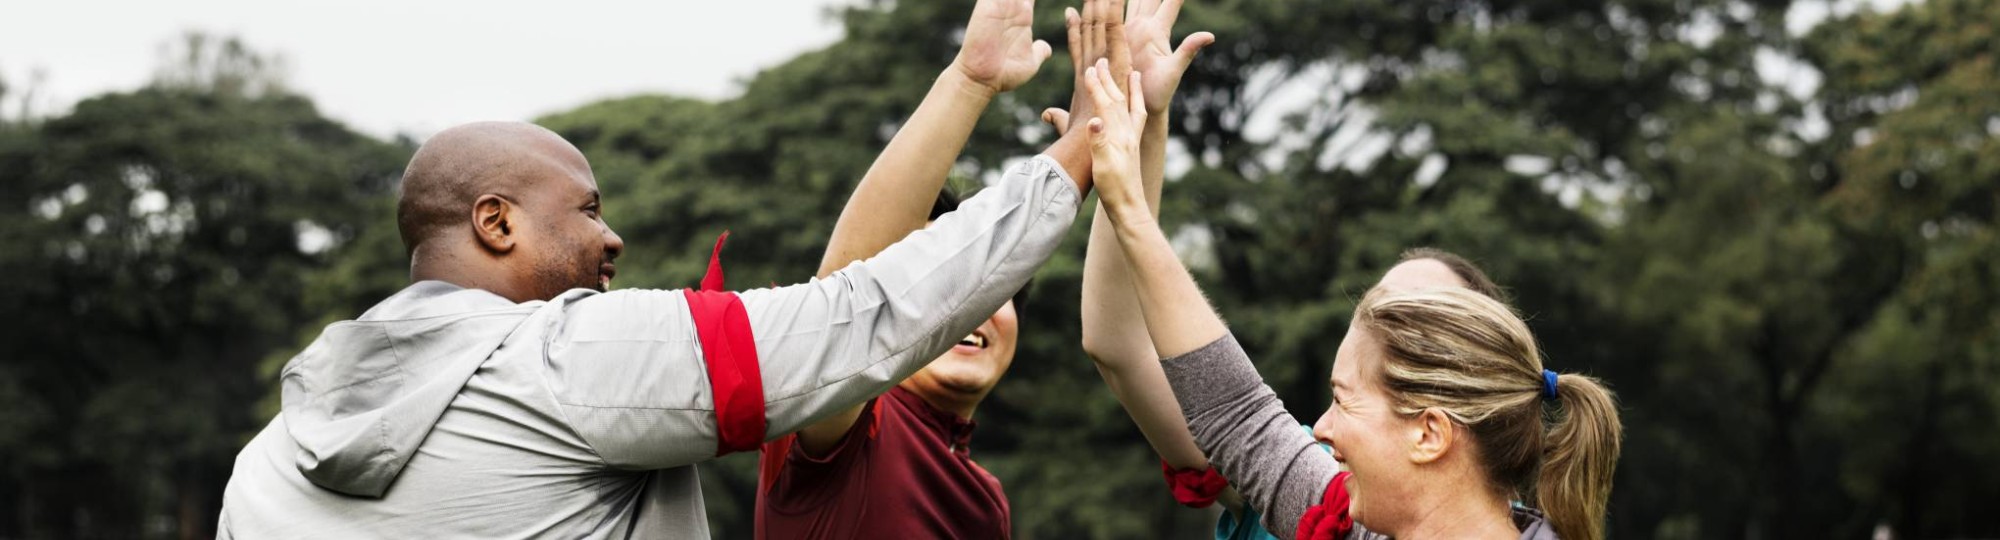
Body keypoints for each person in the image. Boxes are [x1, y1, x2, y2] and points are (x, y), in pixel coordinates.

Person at [212, 0, 1110, 535]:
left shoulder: (268, 458)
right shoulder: (575, 355)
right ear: (495, 222)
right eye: (590, 210)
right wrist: (1084, 150)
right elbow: (858, 315)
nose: (615, 241)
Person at [1075, 44, 1626, 540]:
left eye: (1344, 399)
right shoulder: (1354, 523)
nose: (1319, 428)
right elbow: (1236, 411)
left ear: (1430, 432)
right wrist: (1128, 197)